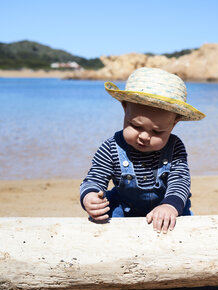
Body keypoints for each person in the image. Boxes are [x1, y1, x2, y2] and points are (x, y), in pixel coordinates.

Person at [80, 67, 205, 233]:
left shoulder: (175, 147)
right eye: (136, 126)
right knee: (100, 221)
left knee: (184, 229)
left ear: (174, 123)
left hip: (168, 207)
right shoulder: (111, 147)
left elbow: (180, 180)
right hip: (123, 209)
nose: (145, 137)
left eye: (157, 131)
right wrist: (90, 196)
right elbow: (95, 177)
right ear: (125, 108)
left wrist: (170, 206)